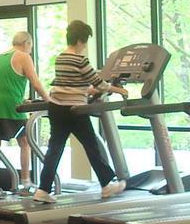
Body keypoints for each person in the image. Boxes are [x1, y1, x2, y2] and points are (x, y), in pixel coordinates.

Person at [35, 20, 127, 204]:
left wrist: (88, 91)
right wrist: (119, 90)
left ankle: (42, 189)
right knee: (91, 146)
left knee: (55, 148)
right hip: (74, 110)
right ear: (79, 41)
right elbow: (99, 83)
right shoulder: (80, 60)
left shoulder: (60, 58)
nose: (84, 46)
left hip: (56, 107)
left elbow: (72, 83)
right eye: (85, 42)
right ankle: (107, 184)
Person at [0, 31, 50, 200]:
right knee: (25, 142)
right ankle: (25, 183)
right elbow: (35, 82)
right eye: (31, 47)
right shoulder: (23, 56)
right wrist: (49, 100)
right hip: (11, 107)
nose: (30, 50)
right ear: (26, 43)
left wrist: (21, 98)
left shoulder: (1, 57)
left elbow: (5, 84)